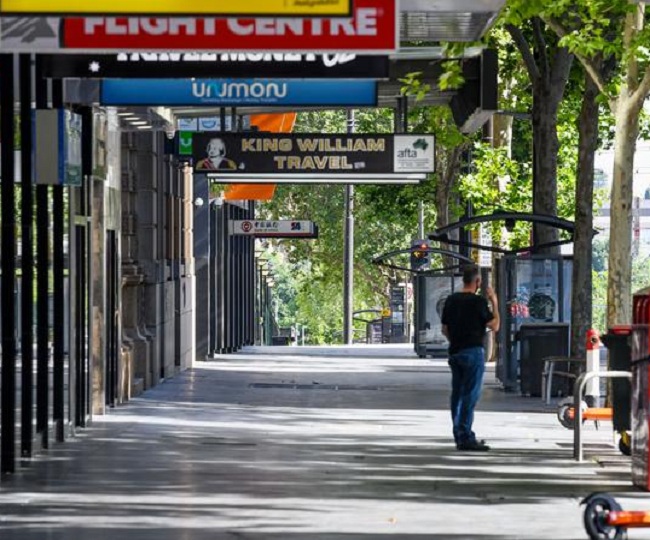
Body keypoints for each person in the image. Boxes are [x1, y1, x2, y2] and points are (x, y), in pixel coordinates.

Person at [441, 265, 500, 451]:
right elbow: (495, 325)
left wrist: (455, 341)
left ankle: (459, 434)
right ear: (477, 282)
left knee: (457, 394)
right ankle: (466, 436)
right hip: (473, 352)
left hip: (455, 352)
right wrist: (494, 301)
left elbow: (445, 329)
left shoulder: (451, 300)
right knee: (470, 395)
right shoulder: (479, 302)